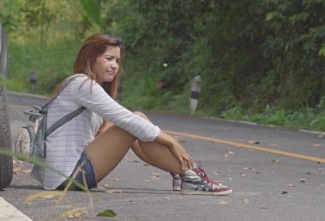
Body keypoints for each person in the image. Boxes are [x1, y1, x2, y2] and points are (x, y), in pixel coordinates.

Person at [31, 34, 231, 195]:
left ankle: (184, 174)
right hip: (68, 177)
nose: (115, 66)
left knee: (137, 120)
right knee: (133, 122)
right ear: (91, 58)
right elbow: (126, 119)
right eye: (109, 59)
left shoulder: (83, 86)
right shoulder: (83, 85)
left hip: (63, 174)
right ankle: (191, 175)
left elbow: (127, 122)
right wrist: (173, 143)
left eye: (117, 61)